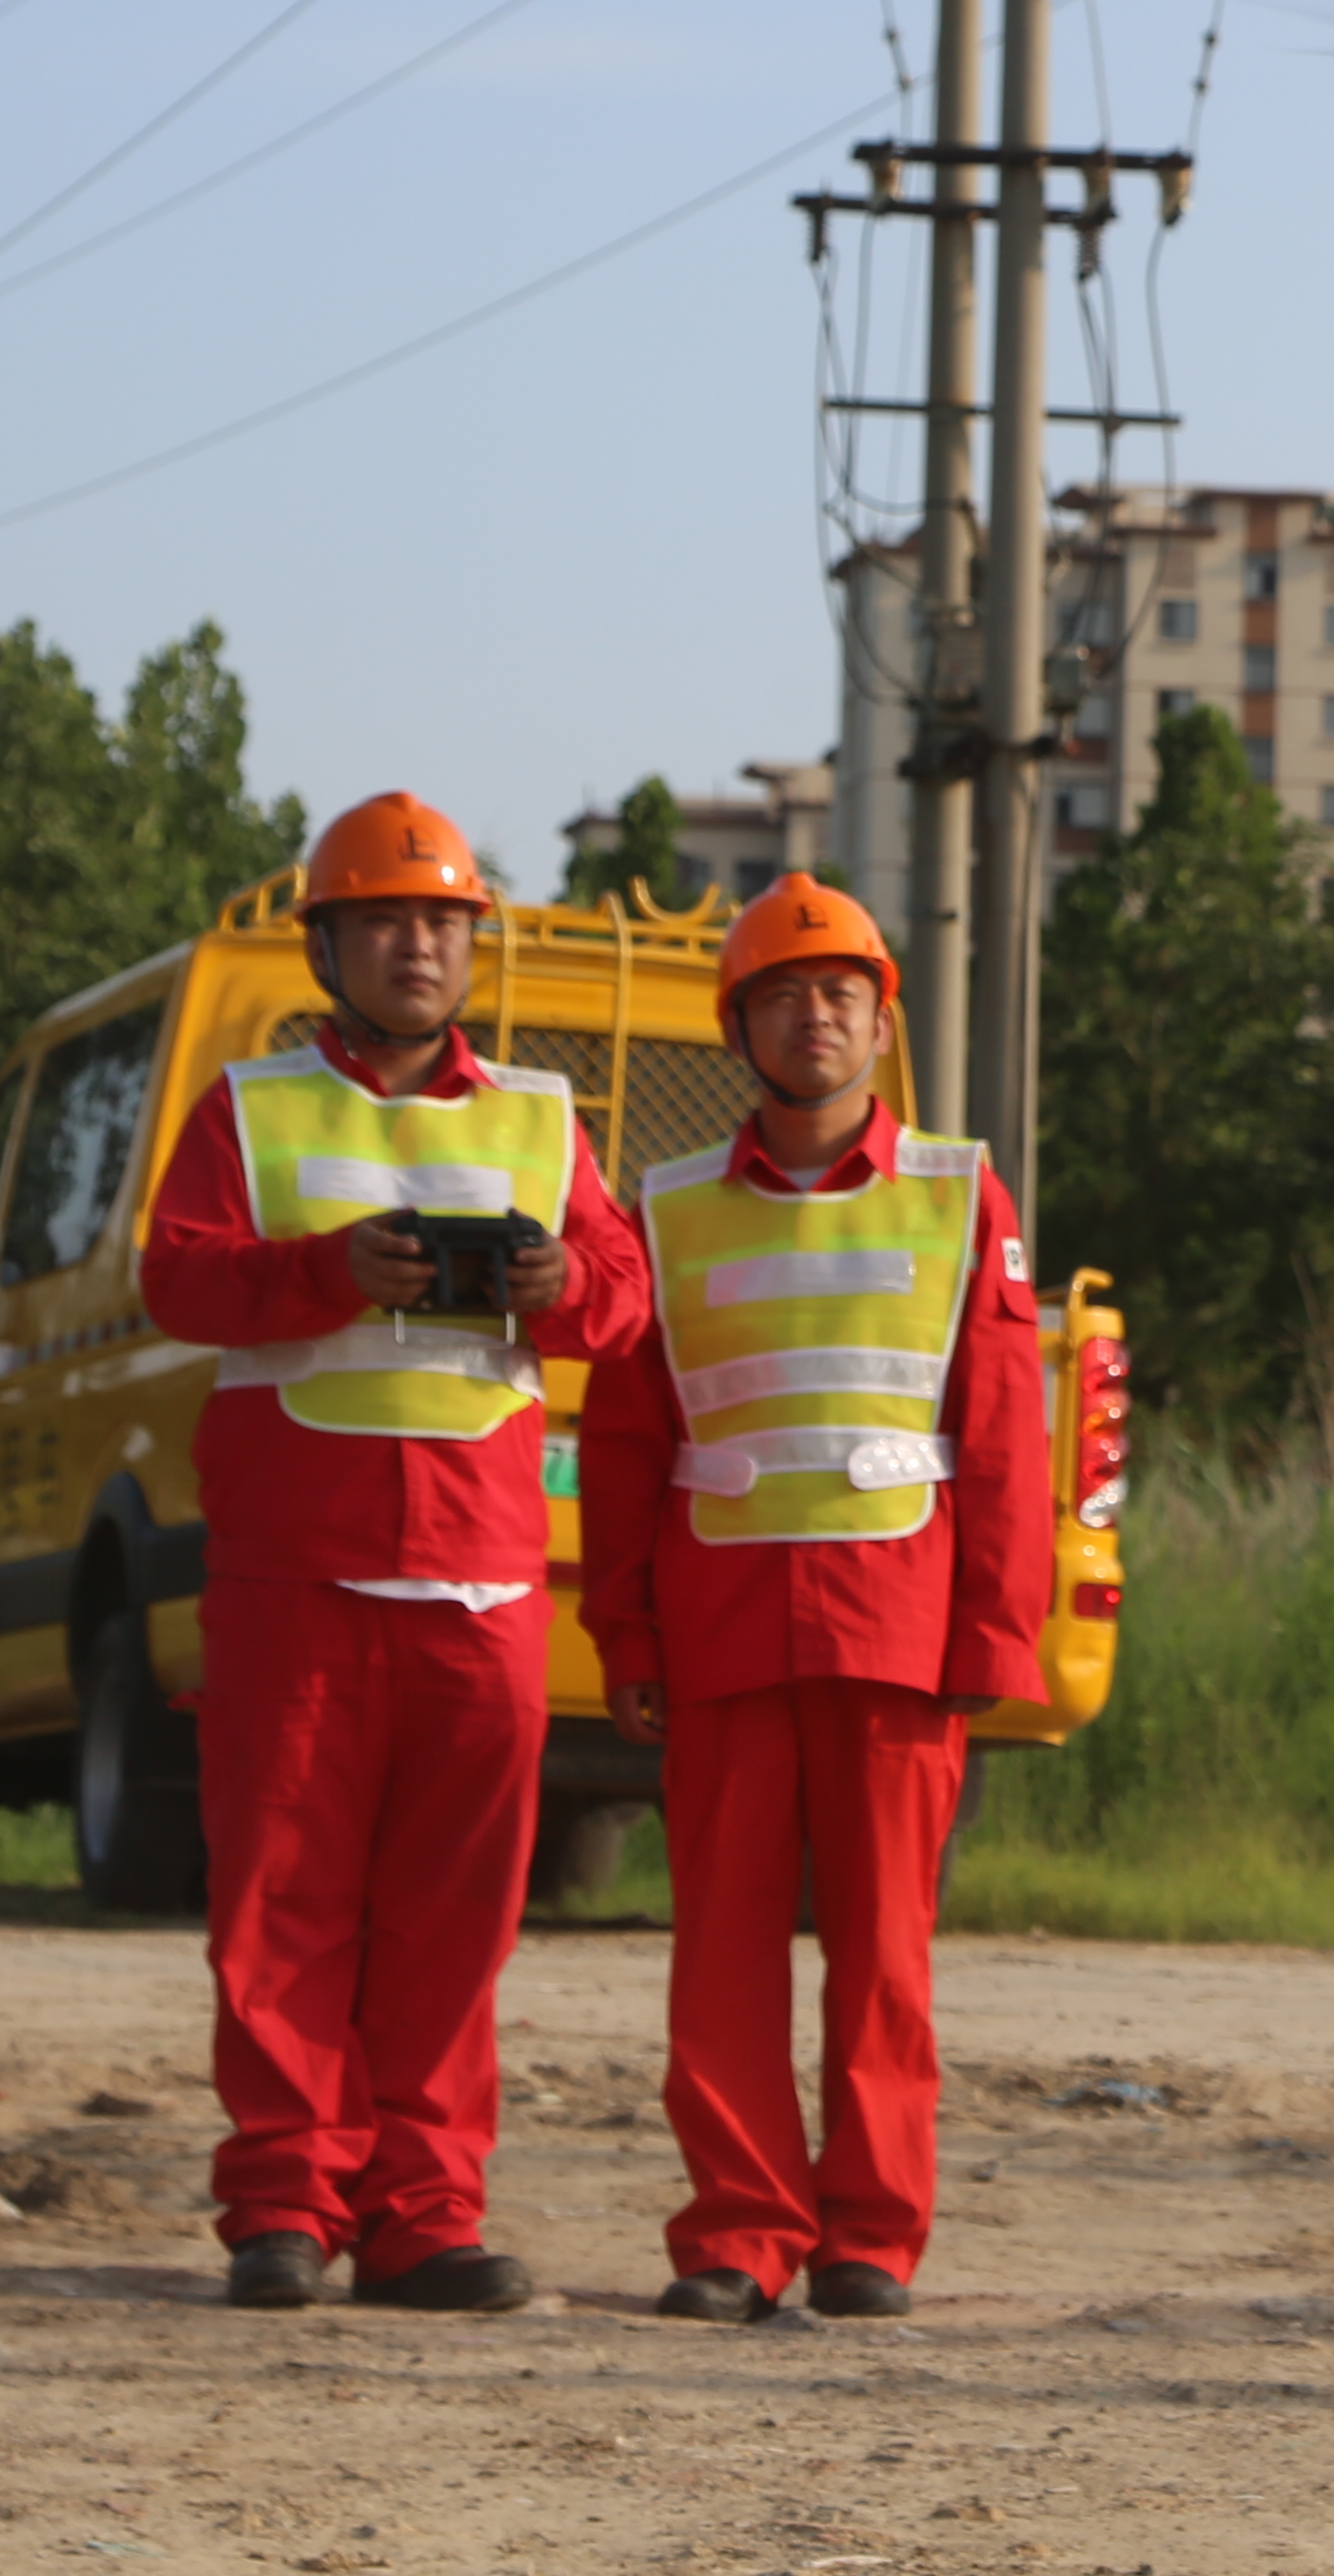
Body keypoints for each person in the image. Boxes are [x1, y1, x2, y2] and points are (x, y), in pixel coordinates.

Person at [135, 791, 654, 2315]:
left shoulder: (544, 1120)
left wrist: (558, 1282)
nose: (418, 944)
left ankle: (424, 2213)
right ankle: (285, 2209)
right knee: (281, 1903)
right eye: (387, 919)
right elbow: (178, 1279)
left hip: (482, 1582)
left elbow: (623, 1305)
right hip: (298, 1576)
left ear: (469, 944)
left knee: (454, 1920)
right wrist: (323, 1271)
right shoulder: (250, 1108)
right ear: (331, 943)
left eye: (442, 921)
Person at [581, 873, 1051, 2323]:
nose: (815, 1017)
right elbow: (625, 1441)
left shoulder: (957, 1190)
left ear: (880, 1019)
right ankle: (735, 2234)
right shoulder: (662, 1208)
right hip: (721, 1634)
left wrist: (995, 1633)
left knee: (883, 1958)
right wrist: (625, 1633)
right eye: (783, 996)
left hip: (899, 1631)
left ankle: (867, 2237)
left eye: (841, 993)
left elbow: (1003, 1431)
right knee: (718, 1957)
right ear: (740, 1025)